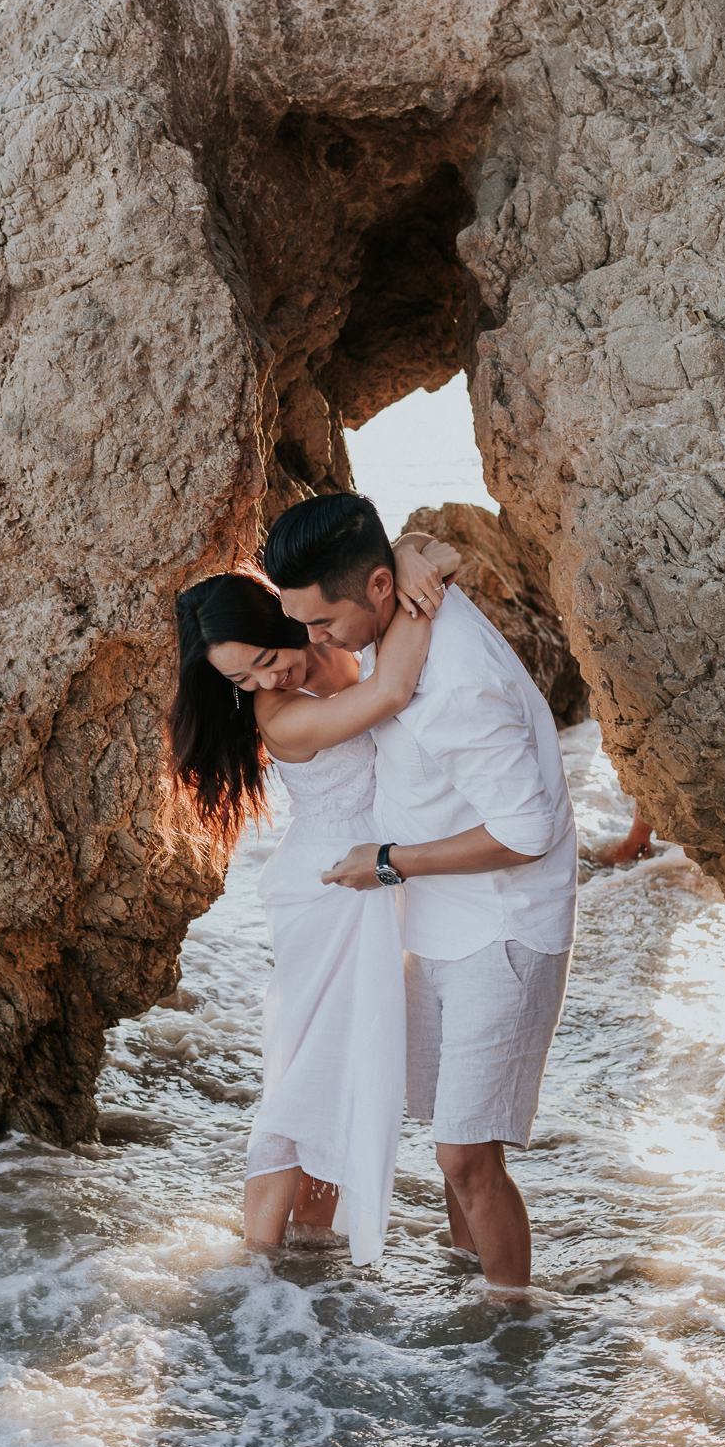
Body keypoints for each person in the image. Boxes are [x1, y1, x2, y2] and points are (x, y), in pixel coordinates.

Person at [264, 494, 579, 1297]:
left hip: (503, 928)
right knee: (452, 1145)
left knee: (466, 1156)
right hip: (438, 919)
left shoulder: (459, 684)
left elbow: (528, 831)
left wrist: (390, 862)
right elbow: (399, 553)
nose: (315, 643)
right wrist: (416, 546)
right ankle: (467, 1305)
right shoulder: (398, 616)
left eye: (323, 623)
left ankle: (513, 1327)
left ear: (373, 591)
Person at [169, 534, 459, 1266]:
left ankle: (312, 1251)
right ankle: (255, 1275)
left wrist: (416, 553)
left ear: (281, 617)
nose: (266, 678)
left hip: (376, 878)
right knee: (306, 1072)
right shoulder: (279, 717)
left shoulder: (335, 636)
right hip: (330, 889)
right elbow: (392, 692)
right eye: (242, 678)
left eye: (265, 657)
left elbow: (404, 562)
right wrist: (421, 589)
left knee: (347, 1067)